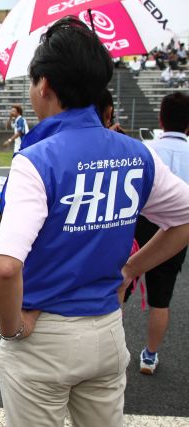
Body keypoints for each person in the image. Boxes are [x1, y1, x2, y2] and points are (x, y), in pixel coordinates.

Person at [0, 17, 189, 427]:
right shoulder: (138, 153)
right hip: (108, 331)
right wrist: (130, 271)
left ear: (44, 85)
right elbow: (184, 219)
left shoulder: (36, 159)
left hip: (44, 336)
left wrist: (12, 330)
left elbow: (5, 267)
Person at [126, 92, 189, 375]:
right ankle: (149, 355)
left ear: (161, 118)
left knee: (121, 283)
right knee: (161, 298)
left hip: (140, 226)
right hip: (177, 230)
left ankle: (108, 346)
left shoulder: (144, 149)